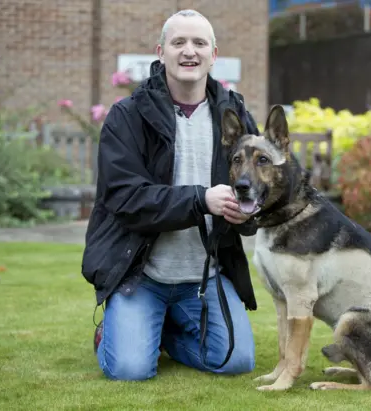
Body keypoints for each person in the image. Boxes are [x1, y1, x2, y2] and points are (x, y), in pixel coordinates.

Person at [81, 9, 260, 381]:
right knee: (130, 369)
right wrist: (201, 201)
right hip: (141, 274)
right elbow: (126, 199)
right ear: (160, 52)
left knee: (235, 361)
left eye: (199, 43)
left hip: (205, 275)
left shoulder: (235, 116)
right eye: (178, 42)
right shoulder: (127, 116)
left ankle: (163, 334)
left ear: (214, 53)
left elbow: (258, 184)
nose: (189, 51)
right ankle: (119, 332)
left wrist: (249, 211)